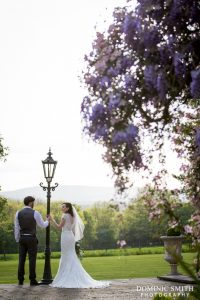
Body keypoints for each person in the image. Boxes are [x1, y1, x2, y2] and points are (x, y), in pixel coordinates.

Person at [49, 202, 109, 288]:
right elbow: (72, 228)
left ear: (68, 208)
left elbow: (59, 227)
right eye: (61, 207)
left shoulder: (65, 216)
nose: (61, 208)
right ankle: (72, 274)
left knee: (66, 255)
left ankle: (66, 276)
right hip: (71, 236)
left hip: (65, 236)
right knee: (71, 254)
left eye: (63, 207)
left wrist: (51, 219)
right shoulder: (73, 216)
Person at [14, 196, 50, 286]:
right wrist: (47, 220)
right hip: (31, 238)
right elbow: (42, 225)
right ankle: (32, 280)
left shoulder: (18, 213)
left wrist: (17, 239)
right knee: (32, 259)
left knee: (21, 259)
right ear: (30, 203)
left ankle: (20, 280)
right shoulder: (35, 213)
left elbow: (16, 227)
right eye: (33, 202)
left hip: (22, 238)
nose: (34, 204)